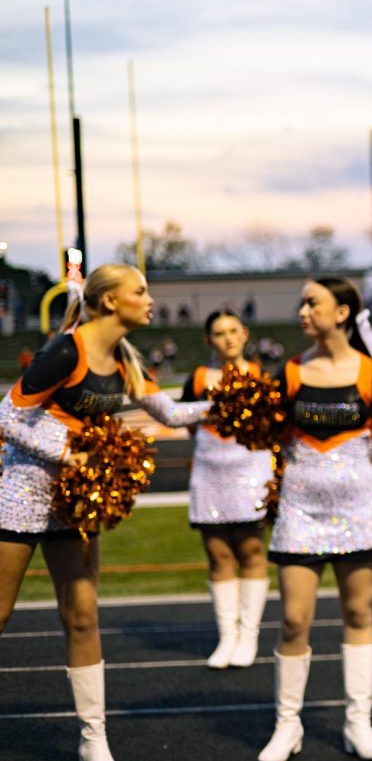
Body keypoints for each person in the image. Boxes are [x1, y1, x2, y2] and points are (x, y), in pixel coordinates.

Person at [0, 264, 213, 761]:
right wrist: (66, 455)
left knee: (83, 613)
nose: (150, 299)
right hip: (22, 491)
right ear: (112, 301)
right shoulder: (66, 350)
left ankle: (93, 738)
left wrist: (229, 402)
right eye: (140, 291)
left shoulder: (126, 362)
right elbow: (5, 418)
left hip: (75, 500)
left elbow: (173, 415)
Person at [258, 276, 372, 761]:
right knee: (294, 619)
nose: (303, 311)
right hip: (299, 509)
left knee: (358, 613)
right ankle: (287, 726)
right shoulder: (289, 373)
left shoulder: (371, 375)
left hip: (356, 508)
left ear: (342, 313)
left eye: (313, 303)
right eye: (301, 303)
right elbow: (273, 435)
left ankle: (359, 722)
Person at [180, 309, 274, 669]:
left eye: (234, 331)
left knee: (251, 549)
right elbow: (190, 424)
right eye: (219, 333)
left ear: (245, 333)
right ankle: (227, 636)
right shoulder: (200, 377)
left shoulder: (262, 375)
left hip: (251, 470)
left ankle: (249, 635)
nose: (228, 338)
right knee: (218, 554)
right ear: (209, 341)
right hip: (210, 472)